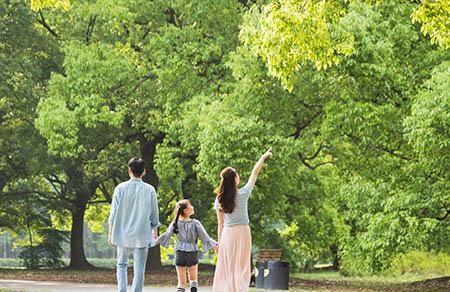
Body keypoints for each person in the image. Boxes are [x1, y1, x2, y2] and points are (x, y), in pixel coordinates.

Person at [212, 148, 273, 292]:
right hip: (243, 233)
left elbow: (220, 224)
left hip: (227, 235)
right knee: (241, 266)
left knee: (228, 266)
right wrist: (263, 157)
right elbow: (255, 172)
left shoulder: (219, 199)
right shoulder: (244, 193)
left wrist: (219, 244)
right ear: (235, 179)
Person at [108, 157, 160, 292]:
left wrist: (110, 233)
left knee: (121, 264)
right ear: (144, 171)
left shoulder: (120, 188)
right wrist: (155, 229)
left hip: (122, 233)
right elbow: (154, 214)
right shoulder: (150, 189)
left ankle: (122, 290)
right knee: (140, 267)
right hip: (142, 233)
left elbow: (112, 214)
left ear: (129, 170)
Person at [157, 199, 218, 292]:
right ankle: (193, 289)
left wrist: (154, 241)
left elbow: (166, 235)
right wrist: (215, 245)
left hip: (179, 253)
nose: (192, 207)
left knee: (181, 283)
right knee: (193, 280)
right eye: (190, 205)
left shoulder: (175, 222)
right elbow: (205, 238)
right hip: (192, 253)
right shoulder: (195, 223)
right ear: (186, 210)